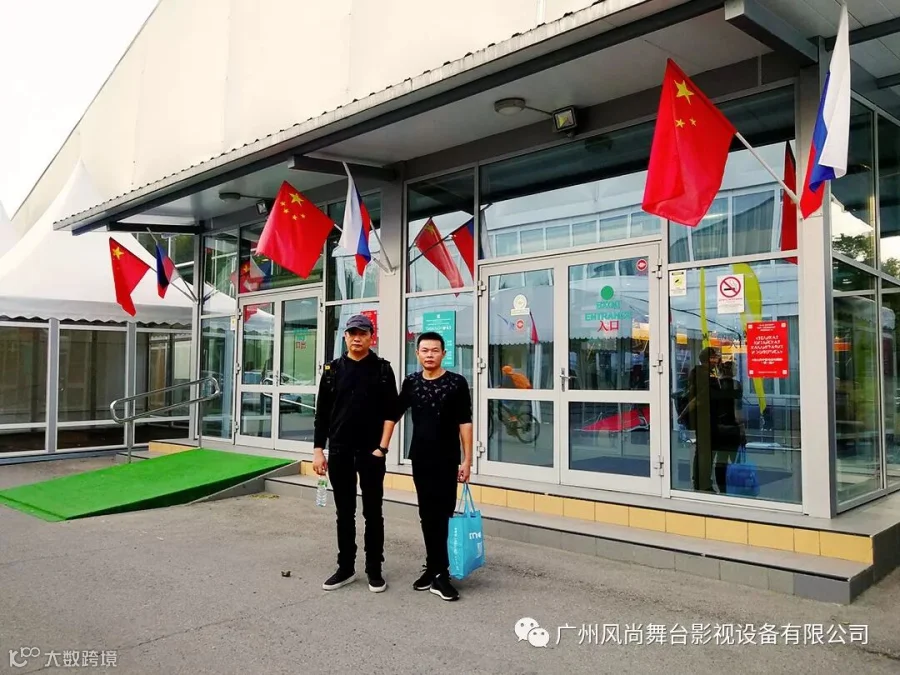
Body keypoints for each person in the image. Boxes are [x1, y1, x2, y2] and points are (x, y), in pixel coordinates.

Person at [313, 314, 399, 593]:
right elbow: (322, 415)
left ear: (372, 337)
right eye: (352, 333)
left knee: (373, 512)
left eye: (362, 333)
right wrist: (318, 451)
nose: (357, 338)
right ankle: (346, 568)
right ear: (345, 337)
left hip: (371, 453)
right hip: (339, 451)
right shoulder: (332, 370)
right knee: (344, 512)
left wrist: (382, 448)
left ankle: (374, 569)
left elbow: (391, 413)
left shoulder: (382, 369)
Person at [394, 332, 473, 602]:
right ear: (417, 354)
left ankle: (441, 573)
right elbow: (393, 412)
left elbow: (465, 421)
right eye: (425, 350)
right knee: (427, 514)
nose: (430, 354)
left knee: (443, 513)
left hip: (447, 459)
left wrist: (467, 459)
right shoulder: (411, 382)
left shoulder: (456, 383)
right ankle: (432, 568)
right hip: (421, 458)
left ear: (444, 354)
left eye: (435, 350)